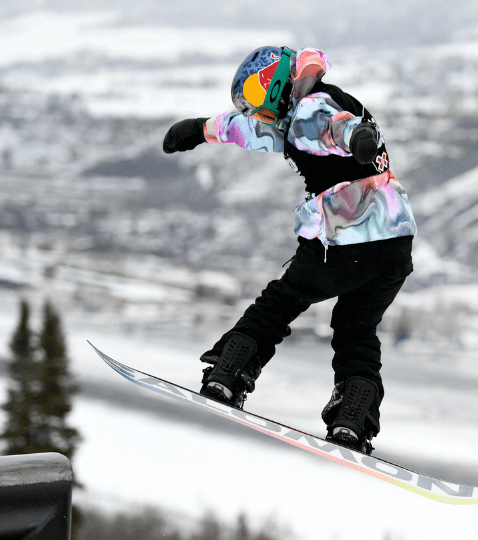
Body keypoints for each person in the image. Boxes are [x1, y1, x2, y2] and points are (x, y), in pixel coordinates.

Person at [162, 46, 416, 455]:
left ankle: (229, 374)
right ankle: (353, 420)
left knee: (279, 304)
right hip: (394, 242)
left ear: (276, 85)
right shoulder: (298, 113)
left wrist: (356, 137)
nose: (258, 115)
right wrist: (198, 128)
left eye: (257, 103)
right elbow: (248, 129)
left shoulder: (311, 110)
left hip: (346, 236)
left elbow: (333, 127)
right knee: (355, 329)